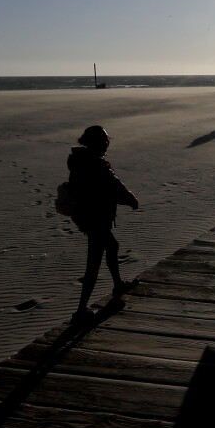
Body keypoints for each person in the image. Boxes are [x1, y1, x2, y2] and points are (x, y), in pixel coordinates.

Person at [67, 125, 139, 323]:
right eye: (105, 141)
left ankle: (117, 284)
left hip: (89, 216)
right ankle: (81, 310)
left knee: (111, 246)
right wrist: (131, 200)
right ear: (97, 143)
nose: (107, 144)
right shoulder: (97, 164)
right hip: (96, 217)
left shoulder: (78, 160)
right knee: (94, 263)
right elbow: (114, 186)